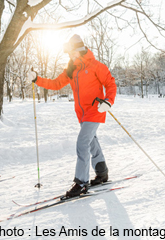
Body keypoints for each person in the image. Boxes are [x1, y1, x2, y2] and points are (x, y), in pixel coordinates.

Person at [28, 34, 117, 198]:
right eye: (69, 53)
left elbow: (110, 83)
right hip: (82, 114)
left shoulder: (96, 66)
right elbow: (55, 84)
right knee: (91, 142)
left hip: (96, 110)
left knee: (83, 142)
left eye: (72, 52)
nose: (70, 55)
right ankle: (102, 172)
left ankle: (81, 183)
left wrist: (108, 100)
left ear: (80, 50)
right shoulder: (71, 70)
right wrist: (37, 79)